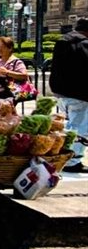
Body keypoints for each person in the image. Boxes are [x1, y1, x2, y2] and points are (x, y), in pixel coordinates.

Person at [49, 17, 88, 173]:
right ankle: (72, 160)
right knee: (80, 127)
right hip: (79, 93)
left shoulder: (63, 41)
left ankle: (64, 155)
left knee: (71, 126)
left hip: (61, 92)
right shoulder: (83, 44)